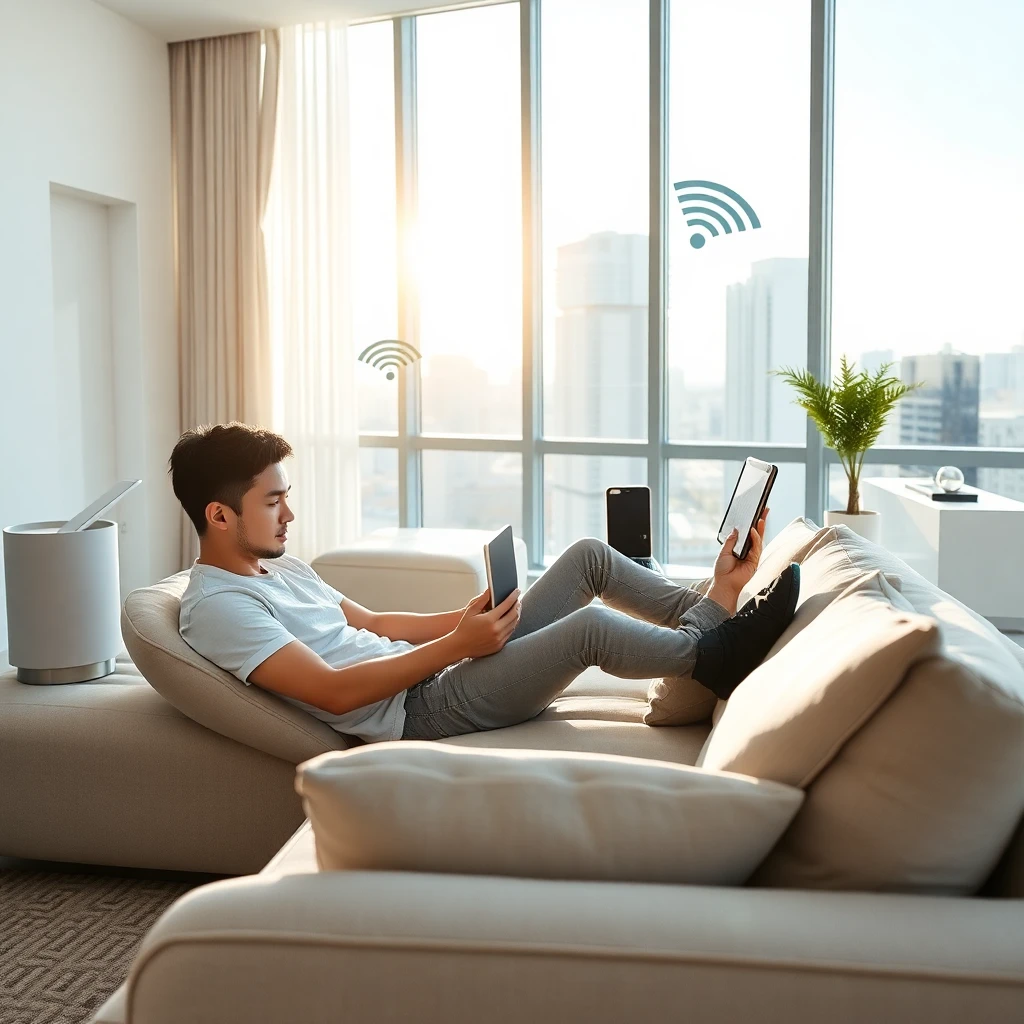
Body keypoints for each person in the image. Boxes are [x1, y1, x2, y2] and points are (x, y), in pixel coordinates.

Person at [171, 422, 799, 745]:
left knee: (587, 558)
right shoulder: (219, 607)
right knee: (589, 630)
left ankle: (712, 601)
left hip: (439, 666)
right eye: (273, 502)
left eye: (287, 498)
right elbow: (334, 694)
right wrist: (457, 648)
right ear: (220, 515)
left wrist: (465, 620)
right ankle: (712, 653)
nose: (289, 515)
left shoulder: (279, 566)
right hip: (421, 709)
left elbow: (378, 625)